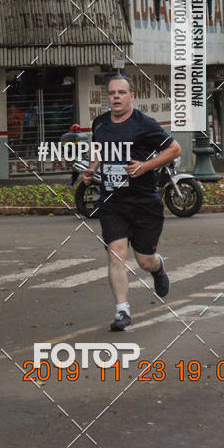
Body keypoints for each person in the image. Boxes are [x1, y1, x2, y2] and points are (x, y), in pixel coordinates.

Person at [82, 75, 181, 332]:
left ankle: (158, 270)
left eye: (121, 92)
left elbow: (174, 149)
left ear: (131, 97)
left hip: (143, 201)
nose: (116, 97)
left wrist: (144, 166)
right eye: (112, 93)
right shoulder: (100, 123)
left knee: (144, 260)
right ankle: (122, 312)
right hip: (112, 201)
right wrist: (92, 169)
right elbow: (98, 149)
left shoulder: (144, 125)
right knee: (116, 254)